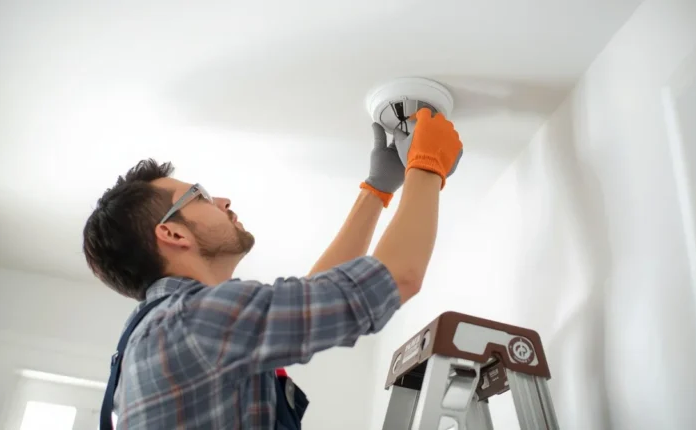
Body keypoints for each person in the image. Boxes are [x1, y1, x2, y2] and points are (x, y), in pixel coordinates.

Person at [82, 108, 463, 429]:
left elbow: (316, 295)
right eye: (198, 194)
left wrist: (376, 192)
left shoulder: (171, 330)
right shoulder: (192, 321)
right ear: (172, 233)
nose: (222, 200)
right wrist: (426, 166)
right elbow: (396, 277)